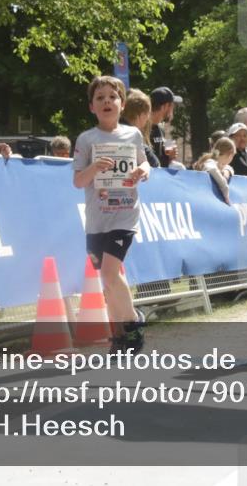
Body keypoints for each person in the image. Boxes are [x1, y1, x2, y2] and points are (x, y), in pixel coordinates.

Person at [73, 76, 150, 353]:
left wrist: (144, 171)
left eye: (112, 97)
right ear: (92, 107)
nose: (107, 101)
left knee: (109, 272)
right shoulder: (86, 139)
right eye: (100, 98)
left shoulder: (132, 135)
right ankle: (120, 337)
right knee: (109, 281)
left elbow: (145, 163)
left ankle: (133, 324)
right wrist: (95, 168)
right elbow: (78, 181)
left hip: (124, 215)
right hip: (96, 219)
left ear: (122, 104)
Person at [121, 89, 159, 169]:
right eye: (147, 114)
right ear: (141, 115)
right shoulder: (135, 139)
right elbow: (156, 166)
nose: (148, 119)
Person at [193, 136, 236, 204]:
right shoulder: (210, 162)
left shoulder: (219, 165)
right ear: (230, 155)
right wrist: (225, 190)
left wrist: (226, 172)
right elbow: (212, 169)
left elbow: (230, 168)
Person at [149, 86, 182, 168]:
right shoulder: (142, 126)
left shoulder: (160, 128)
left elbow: (160, 154)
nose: (173, 110)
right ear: (166, 106)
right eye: (172, 106)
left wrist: (170, 156)